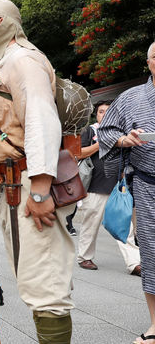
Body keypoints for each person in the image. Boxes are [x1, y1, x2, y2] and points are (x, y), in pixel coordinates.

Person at [0, 0, 75, 340]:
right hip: (12, 183)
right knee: (32, 276)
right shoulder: (8, 62)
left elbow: (41, 121)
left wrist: (41, 188)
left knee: (45, 281)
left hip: (29, 186)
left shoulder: (24, 60)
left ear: (2, 23)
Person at [96, 40, 155, 344]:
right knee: (152, 255)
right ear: (149, 63)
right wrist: (124, 140)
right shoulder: (131, 98)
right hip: (148, 187)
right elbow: (106, 131)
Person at [76, 101, 141, 274]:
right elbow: (79, 152)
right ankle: (85, 257)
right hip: (95, 185)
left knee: (124, 225)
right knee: (91, 223)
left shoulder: (120, 133)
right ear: (96, 115)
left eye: (108, 111)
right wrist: (102, 143)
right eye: (100, 111)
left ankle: (134, 263)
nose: (104, 114)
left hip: (117, 186)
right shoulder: (91, 131)